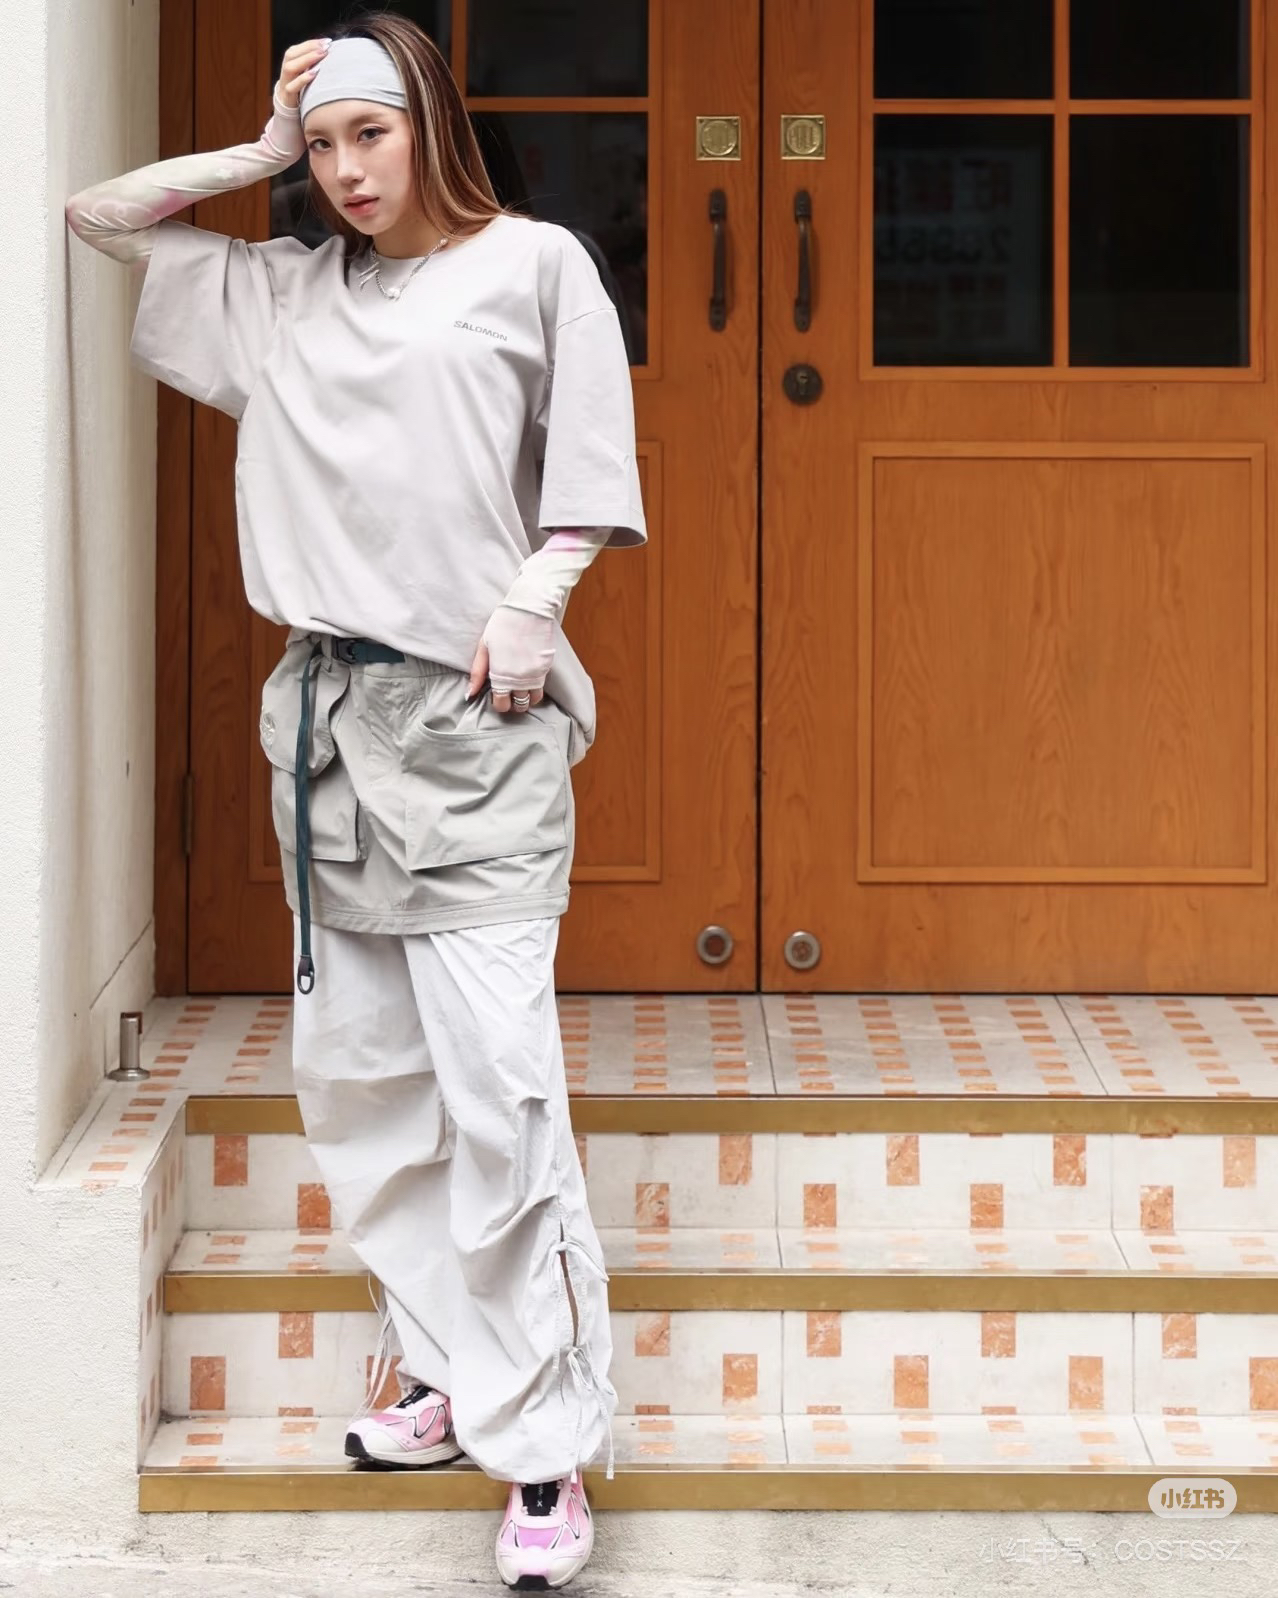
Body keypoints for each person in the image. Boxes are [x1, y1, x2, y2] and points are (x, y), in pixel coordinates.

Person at [66, 15, 646, 1592]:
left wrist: (533, 601)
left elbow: (588, 467)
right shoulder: (283, 291)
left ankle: (543, 1446)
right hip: (323, 726)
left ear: (431, 123)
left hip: (472, 718)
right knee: (366, 1085)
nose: (343, 172)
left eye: (366, 135)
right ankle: (453, 1367)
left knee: (498, 1091)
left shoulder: (534, 267)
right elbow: (97, 216)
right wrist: (259, 148)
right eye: (321, 149)